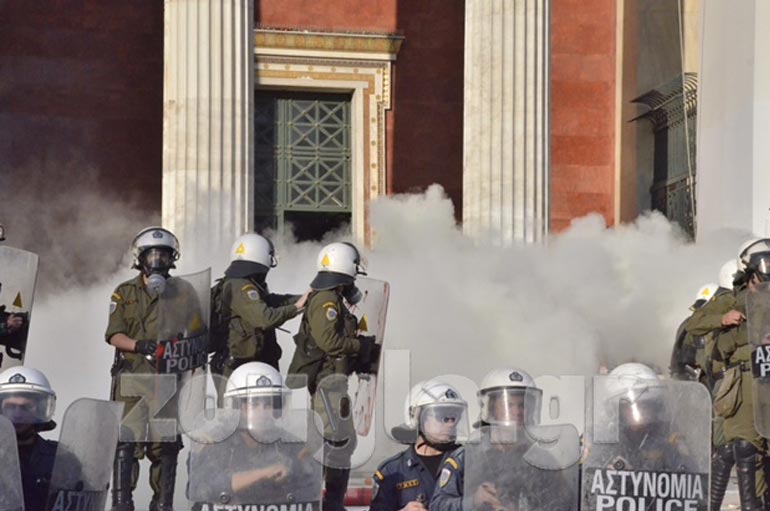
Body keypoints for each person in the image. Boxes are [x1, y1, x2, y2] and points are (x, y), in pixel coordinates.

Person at [107, 226, 203, 511]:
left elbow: (197, 334)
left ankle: (162, 504)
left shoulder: (184, 292)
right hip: (132, 379)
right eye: (153, 254)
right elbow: (114, 335)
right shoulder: (124, 293)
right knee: (127, 443)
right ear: (141, 258)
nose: (158, 260)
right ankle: (122, 503)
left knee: (166, 446)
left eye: (163, 254)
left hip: (168, 381)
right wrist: (139, 345)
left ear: (171, 258)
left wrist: (189, 356)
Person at [287, 241, 379, 511]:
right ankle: (327, 503)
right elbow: (329, 341)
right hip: (328, 386)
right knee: (335, 443)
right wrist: (360, 346)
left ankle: (326, 501)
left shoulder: (331, 298)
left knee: (337, 443)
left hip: (334, 382)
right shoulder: (327, 300)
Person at [686, 238, 770, 511]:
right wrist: (722, 319)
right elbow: (695, 324)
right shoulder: (731, 299)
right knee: (746, 448)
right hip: (745, 381)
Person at [430, 368, 576, 511]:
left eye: (522, 405)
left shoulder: (542, 460)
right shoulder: (467, 456)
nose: (517, 412)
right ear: (492, 408)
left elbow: (563, 503)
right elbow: (437, 505)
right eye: (509, 405)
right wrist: (474, 501)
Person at [188, 362, 320, 509]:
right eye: (254, 404)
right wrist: (264, 474)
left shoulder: (289, 444)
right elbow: (203, 487)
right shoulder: (217, 441)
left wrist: (290, 481)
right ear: (236, 407)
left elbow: (310, 490)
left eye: (268, 404)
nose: (262, 411)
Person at [210, 233, 309, 401]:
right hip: (238, 367)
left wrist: (307, 298)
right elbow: (265, 318)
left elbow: (270, 301)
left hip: (249, 364)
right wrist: (295, 308)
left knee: (265, 416)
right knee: (234, 420)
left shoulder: (244, 284)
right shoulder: (240, 287)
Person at [371, 380, 467, 511]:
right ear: (416, 418)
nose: (450, 423)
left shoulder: (468, 463)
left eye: (455, 416)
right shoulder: (392, 471)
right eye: (442, 415)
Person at [0, 366, 58, 511]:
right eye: (10, 406)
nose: (17, 414)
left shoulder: (60, 458)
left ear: (40, 410)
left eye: (26, 407)